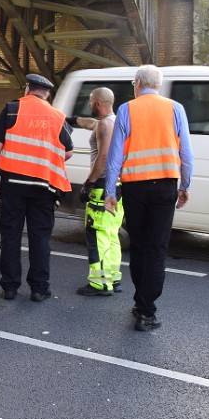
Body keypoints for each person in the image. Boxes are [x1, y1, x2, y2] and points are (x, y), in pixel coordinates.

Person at [104, 64, 194, 332]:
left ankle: (140, 302)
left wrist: (111, 191)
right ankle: (146, 310)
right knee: (156, 248)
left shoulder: (126, 109)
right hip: (165, 185)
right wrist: (185, 184)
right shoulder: (175, 108)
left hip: (134, 188)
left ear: (137, 84)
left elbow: (114, 156)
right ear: (159, 85)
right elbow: (186, 152)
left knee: (140, 246)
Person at [0, 74, 73, 301]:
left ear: (27, 90)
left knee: (11, 236)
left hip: (13, 185)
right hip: (44, 187)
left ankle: (10, 287)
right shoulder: (57, 116)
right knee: (40, 238)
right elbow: (68, 151)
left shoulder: (12, 109)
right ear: (47, 95)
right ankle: (39, 288)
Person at [68, 87, 124, 296]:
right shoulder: (115, 121)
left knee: (97, 236)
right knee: (111, 236)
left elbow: (103, 158)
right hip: (117, 188)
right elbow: (90, 124)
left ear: (98, 104)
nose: (89, 105)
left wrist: (88, 184)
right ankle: (112, 279)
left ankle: (100, 284)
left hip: (101, 187)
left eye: (91, 101)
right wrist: (72, 120)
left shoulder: (104, 125)